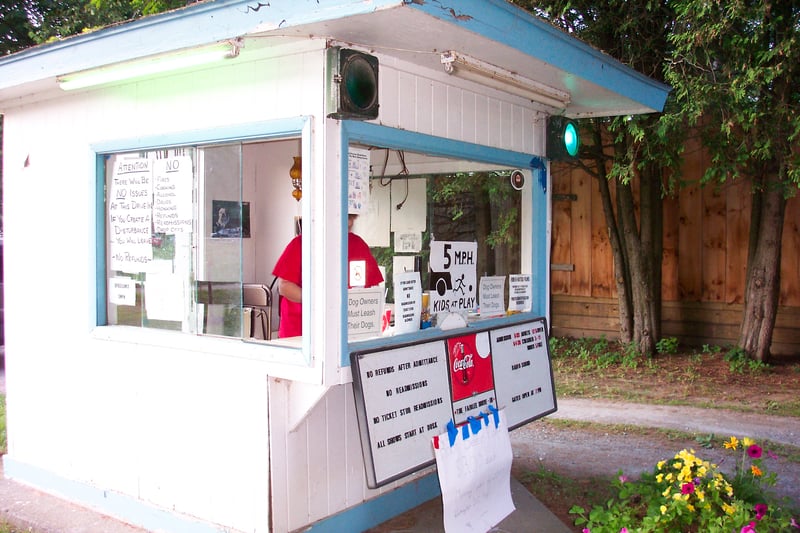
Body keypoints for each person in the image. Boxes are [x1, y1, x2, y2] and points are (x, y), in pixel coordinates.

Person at [272, 214, 383, 338]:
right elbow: (285, 287)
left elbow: (372, 288)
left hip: (346, 330)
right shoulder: (301, 243)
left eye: (352, 218)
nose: (350, 223)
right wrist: (322, 303)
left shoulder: (358, 245)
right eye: (346, 217)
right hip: (302, 331)